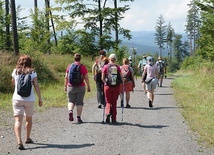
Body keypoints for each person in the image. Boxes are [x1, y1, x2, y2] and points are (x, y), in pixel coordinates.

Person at [11, 55, 43, 150]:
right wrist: (40, 98)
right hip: (30, 99)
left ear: (19, 62)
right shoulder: (33, 72)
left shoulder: (15, 71)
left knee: (18, 121)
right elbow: (36, 85)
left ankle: (19, 141)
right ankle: (27, 138)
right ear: (30, 62)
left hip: (17, 99)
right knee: (28, 119)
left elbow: (13, 83)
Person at [64, 53, 91, 124]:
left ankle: (70, 111)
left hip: (70, 86)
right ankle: (78, 118)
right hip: (81, 86)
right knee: (79, 102)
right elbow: (86, 78)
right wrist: (88, 86)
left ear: (74, 58)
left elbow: (66, 77)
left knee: (70, 101)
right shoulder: (82, 67)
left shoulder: (69, 66)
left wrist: (65, 86)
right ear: (80, 59)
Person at [101, 53, 122, 123]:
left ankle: (107, 113)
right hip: (116, 87)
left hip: (107, 86)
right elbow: (121, 78)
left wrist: (105, 83)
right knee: (114, 102)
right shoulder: (118, 67)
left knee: (108, 101)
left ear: (109, 59)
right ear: (115, 59)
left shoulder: (105, 67)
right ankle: (114, 119)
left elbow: (102, 78)